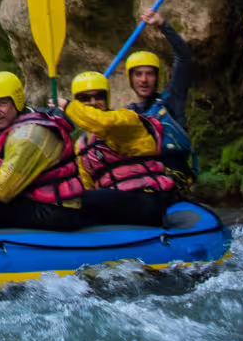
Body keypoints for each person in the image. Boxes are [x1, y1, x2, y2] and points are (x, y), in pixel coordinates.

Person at [0, 71, 88, 231]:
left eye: (2, 103)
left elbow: (2, 190)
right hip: (30, 199)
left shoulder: (29, 135)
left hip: (55, 210)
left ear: (17, 101)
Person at [66, 71, 181, 227]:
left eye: (99, 96)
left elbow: (103, 123)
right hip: (114, 203)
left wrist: (68, 107)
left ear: (107, 98)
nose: (93, 102)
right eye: (84, 99)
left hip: (146, 199)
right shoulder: (81, 145)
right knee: (73, 200)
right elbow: (87, 184)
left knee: (81, 200)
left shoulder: (126, 120)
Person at [124, 8, 196, 174]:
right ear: (131, 79)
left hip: (172, 176)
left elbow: (184, 58)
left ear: (157, 78)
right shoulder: (127, 114)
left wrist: (163, 26)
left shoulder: (171, 100)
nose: (144, 80)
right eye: (138, 74)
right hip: (142, 179)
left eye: (149, 74)